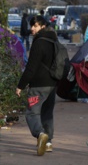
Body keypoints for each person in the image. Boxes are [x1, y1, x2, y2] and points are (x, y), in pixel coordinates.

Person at [15, 15, 58, 156]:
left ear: (42, 26)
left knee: (32, 112)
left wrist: (20, 85)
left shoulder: (39, 43)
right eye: (32, 25)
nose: (32, 28)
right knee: (47, 113)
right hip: (52, 84)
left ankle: (40, 134)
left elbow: (31, 67)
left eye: (35, 26)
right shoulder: (54, 41)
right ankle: (49, 142)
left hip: (39, 85)